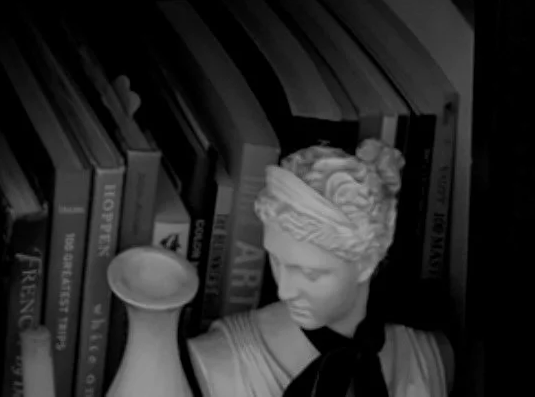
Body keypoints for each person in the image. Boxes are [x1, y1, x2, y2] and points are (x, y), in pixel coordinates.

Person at [187, 142, 451, 397]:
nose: (284, 291)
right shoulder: (220, 362)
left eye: (311, 274)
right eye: (276, 261)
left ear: (367, 263)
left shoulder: (428, 356)